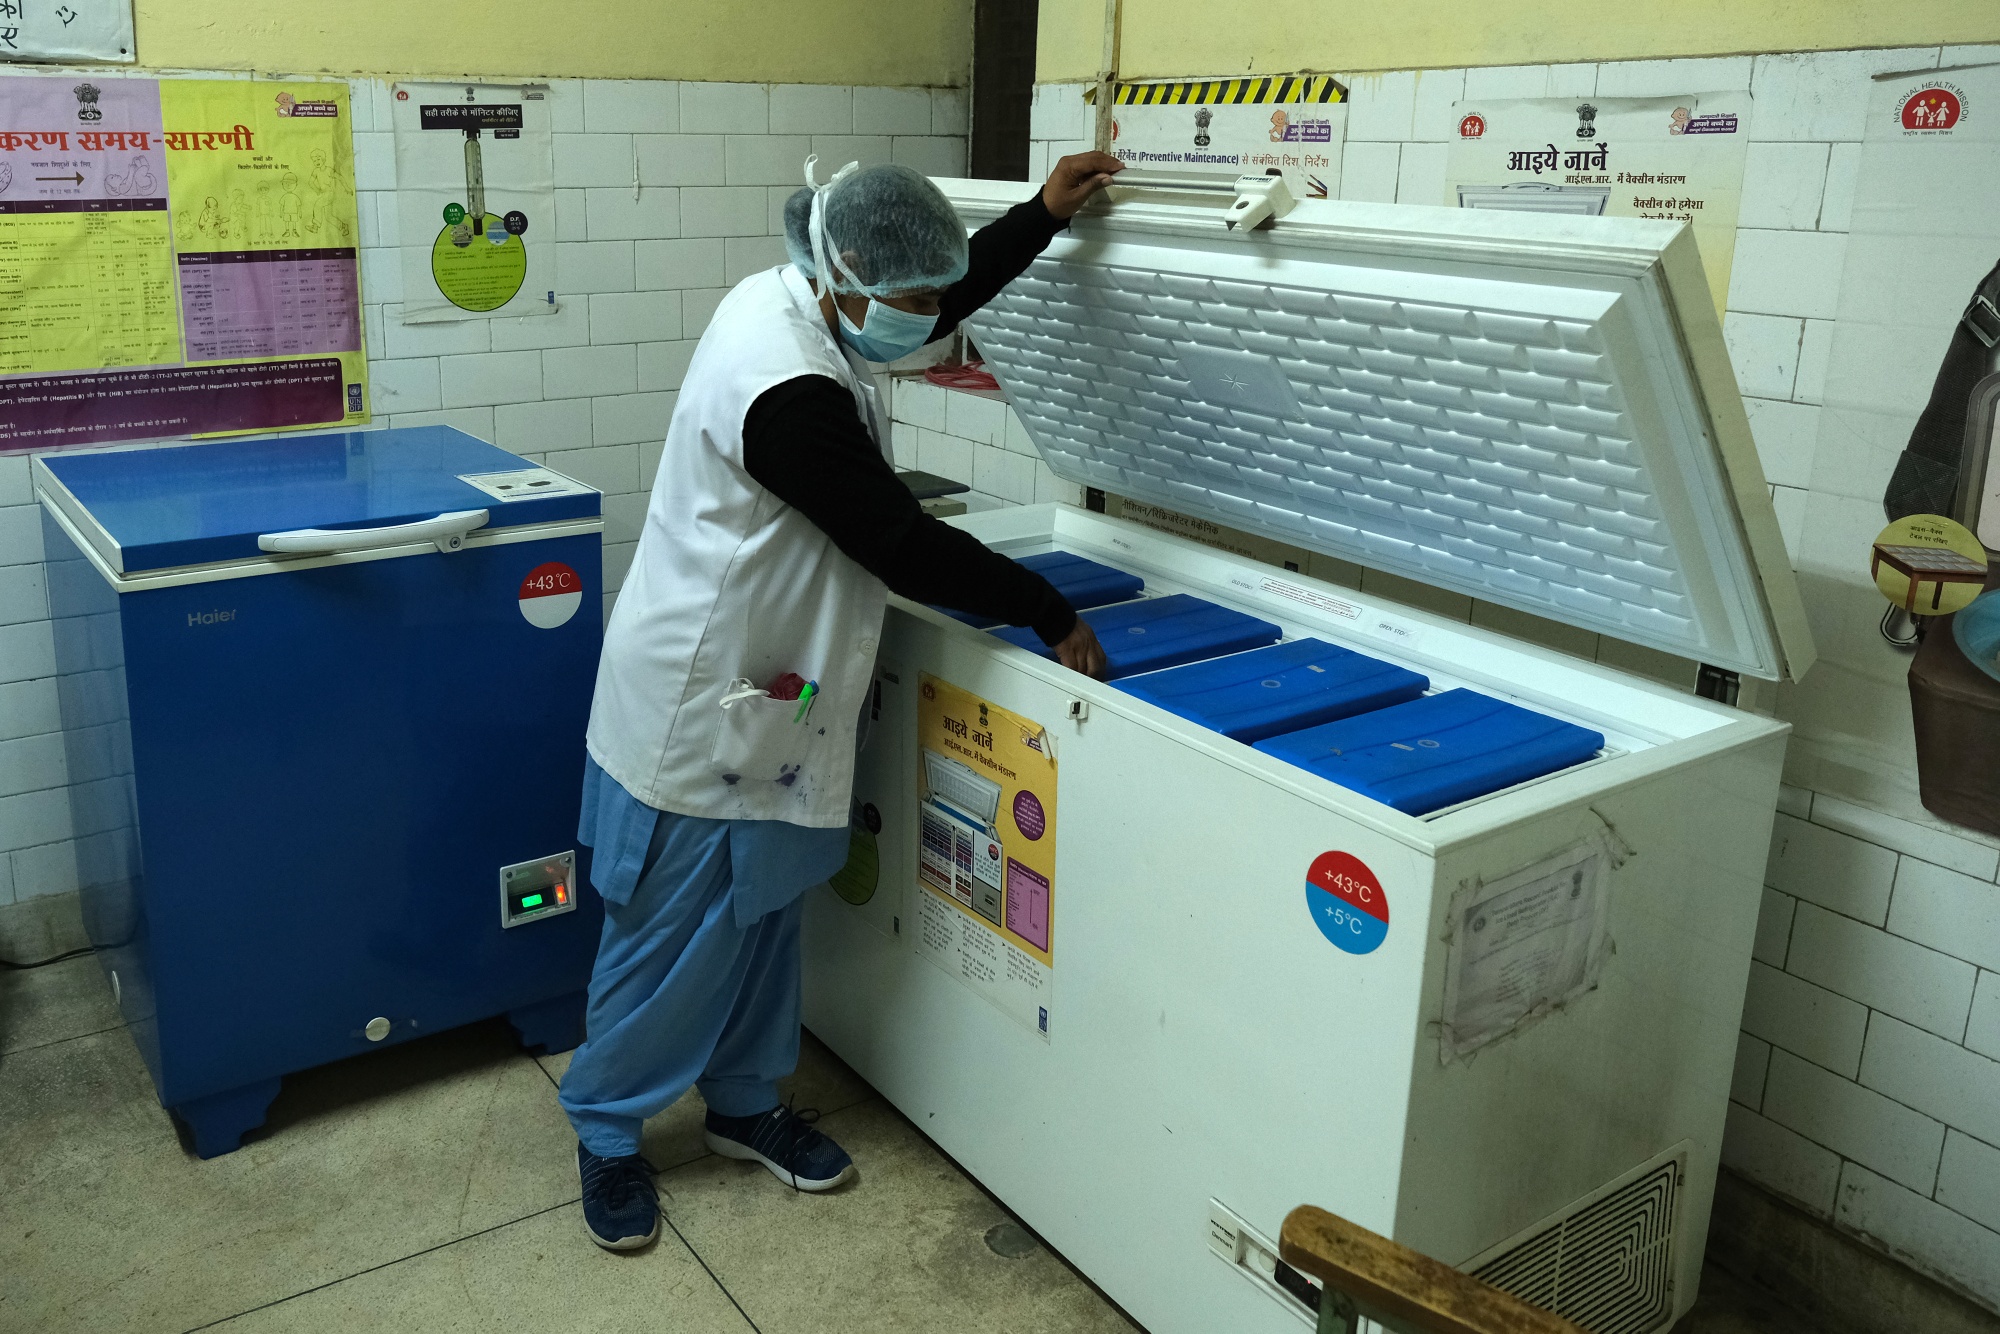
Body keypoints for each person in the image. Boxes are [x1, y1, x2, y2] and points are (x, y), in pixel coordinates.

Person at [558, 150, 1124, 1251]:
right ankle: (607, 1128)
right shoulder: (783, 387)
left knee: (763, 913)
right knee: (668, 931)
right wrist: (1044, 606)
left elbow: (929, 293)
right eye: (906, 302)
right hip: (704, 698)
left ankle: (742, 1102)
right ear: (843, 279)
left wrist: (1038, 217)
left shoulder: (814, 294)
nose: (923, 322)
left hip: (773, 688)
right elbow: (896, 540)